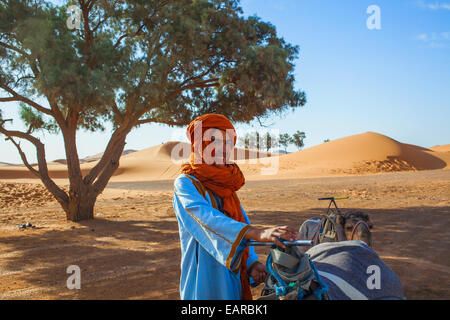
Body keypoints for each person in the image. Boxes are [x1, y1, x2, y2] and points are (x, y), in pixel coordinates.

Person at [172, 113, 297, 300]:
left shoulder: (227, 184)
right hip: (202, 279)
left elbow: (240, 221)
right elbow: (208, 220)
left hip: (233, 276)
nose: (222, 148)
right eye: (213, 140)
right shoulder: (186, 183)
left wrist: (252, 263)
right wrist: (257, 233)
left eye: (228, 142)